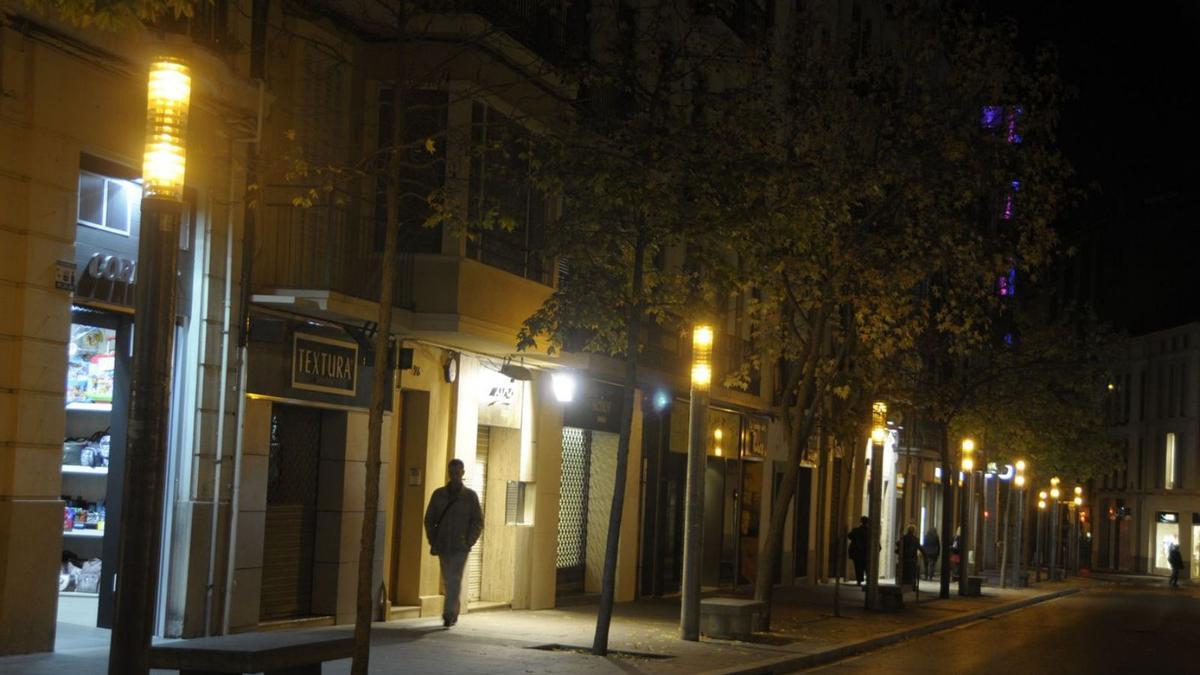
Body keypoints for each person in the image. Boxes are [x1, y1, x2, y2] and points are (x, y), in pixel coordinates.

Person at [424, 458, 483, 627]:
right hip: (443, 544)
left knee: (454, 578)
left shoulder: (470, 497)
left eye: (457, 472)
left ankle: (448, 613)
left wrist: (468, 542)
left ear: (462, 473)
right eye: (452, 473)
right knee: (448, 579)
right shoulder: (439, 495)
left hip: (460, 546)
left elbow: (478, 521)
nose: (455, 476)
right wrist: (433, 540)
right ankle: (453, 610)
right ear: (448, 473)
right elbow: (429, 519)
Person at [847, 516, 870, 586]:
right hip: (866, 553)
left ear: (861, 522)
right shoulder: (869, 531)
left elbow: (849, 536)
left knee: (858, 567)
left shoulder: (856, 530)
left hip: (857, 553)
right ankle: (868, 581)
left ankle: (859, 581)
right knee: (867, 567)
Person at [900, 525, 921, 590]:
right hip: (912, 559)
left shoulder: (903, 538)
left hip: (904, 559)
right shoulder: (916, 539)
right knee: (912, 573)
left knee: (905, 572)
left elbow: (898, 544)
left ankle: (904, 584)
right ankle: (912, 586)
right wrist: (926, 555)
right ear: (913, 531)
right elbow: (920, 547)